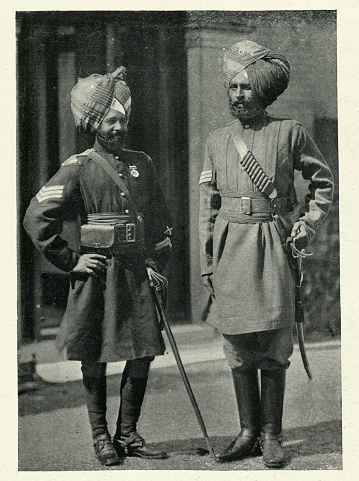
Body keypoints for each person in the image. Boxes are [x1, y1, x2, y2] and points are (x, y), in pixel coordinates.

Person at [23, 67, 173, 466]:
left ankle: (128, 433)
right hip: (99, 276)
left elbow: (159, 219)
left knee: (141, 352)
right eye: (110, 120)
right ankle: (101, 437)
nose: (119, 126)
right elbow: (37, 217)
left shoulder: (143, 163)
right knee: (96, 354)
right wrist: (71, 261)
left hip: (137, 275)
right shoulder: (79, 167)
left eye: (122, 119)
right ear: (94, 124)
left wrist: (157, 260)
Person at [198, 40, 334, 468]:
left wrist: (307, 224)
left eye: (246, 87)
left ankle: (272, 435)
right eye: (233, 86)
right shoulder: (217, 140)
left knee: (275, 341)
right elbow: (208, 207)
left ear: (263, 91)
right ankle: (247, 432)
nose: (238, 94)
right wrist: (207, 262)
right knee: (237, 344)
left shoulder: (289, 132)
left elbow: (323, 183)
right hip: (229, 246)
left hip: (273, 241)